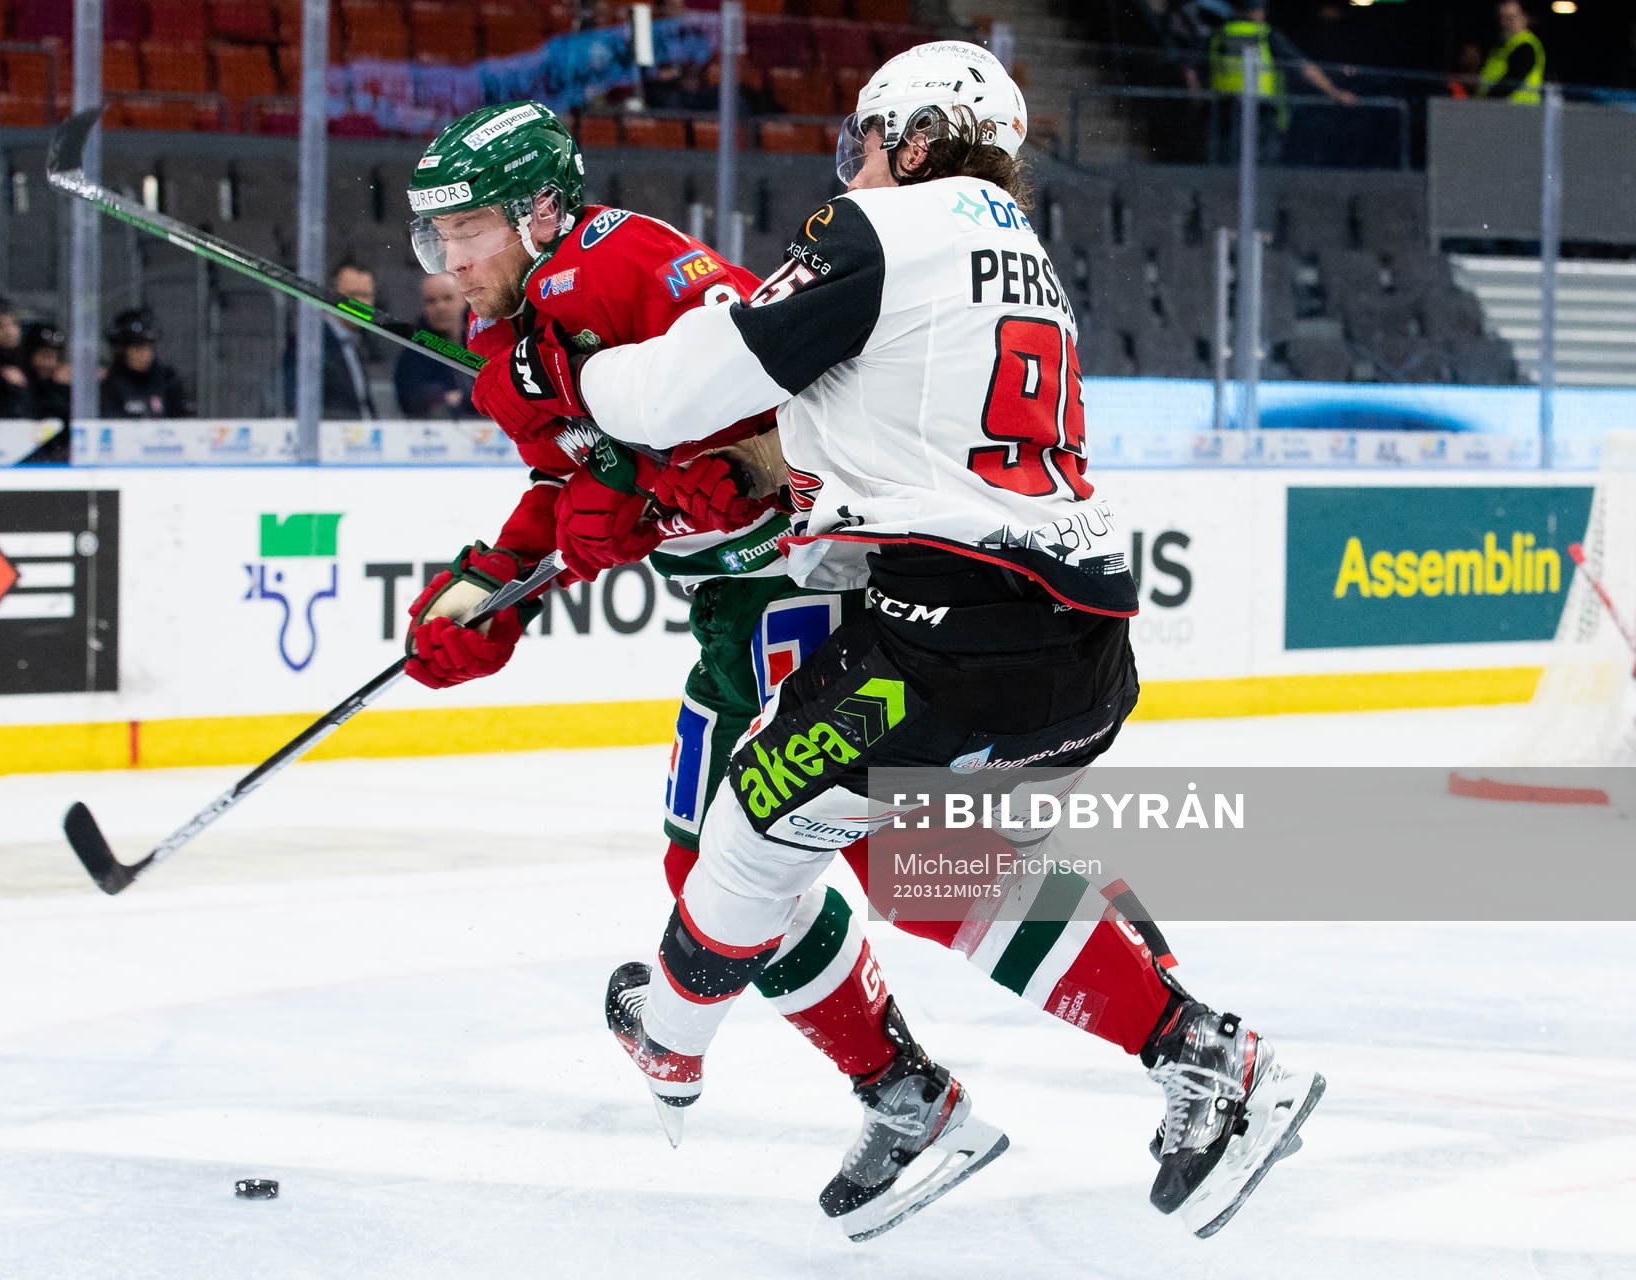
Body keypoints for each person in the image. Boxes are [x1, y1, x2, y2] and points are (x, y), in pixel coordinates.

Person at [506, 40, 1324, 1239]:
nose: (858, 163)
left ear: (922, 134)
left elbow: (689, 386)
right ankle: (1198, 1053)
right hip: (1083, 653)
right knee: (934, 872)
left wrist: (584, 387)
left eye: (870, 140)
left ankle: (668, 1036)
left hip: (952, 640)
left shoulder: (883, 230)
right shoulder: (1018, 253)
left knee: (748, 829)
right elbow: (865, 416)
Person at [401, 99, 1000, 1237]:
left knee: (745, 871)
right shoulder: (509, 344)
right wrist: (485, 590)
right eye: (437, 239)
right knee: (783, 863)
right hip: (734, 607)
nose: (454, 259)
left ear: (540, 208)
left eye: (471, 227)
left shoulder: (628, 264)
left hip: (804, 581)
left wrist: (712, 474)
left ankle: (942, 1081)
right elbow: (575, 477)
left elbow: (795, 384)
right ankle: (938, 1078)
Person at [1205, 3, 1356, 163]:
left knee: (1227, 157)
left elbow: (1197, 69)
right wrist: (1335, 93)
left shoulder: (1220, 34)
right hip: (1261, 106)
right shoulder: (1265, 34)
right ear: (1258, 11)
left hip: (1224, 107)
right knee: (1264, 158)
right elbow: (1304, 69)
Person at [284, 260, 381, 419]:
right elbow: (295, 403)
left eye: (366, 296)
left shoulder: (359, 344)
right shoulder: (309, 343)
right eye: (352, 295)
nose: (360, 303)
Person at [390, 273, 471, 418]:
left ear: (464, 299)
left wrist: (462, 398)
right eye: (431, 301)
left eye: (448, 298)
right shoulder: (412, 354)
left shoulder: (483, 342)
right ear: (423, 307)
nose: (440, 307)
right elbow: (411, 400)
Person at [99, 307, 190, 419]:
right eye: (138, 348)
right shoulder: (107, 385)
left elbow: (182, 422)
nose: (146, 354)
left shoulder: (168, 380)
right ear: (120, 350)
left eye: (149, 347)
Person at [1480, 0, 1545, 103]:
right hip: (1497, 109)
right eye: (1501, 17)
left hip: (1517, 110)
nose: (1504, 22)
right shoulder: (1502, 45)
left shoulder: (1526, 46)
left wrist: (1487, 100)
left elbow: (1511, 82)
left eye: (1510, 18)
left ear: (1524, 18)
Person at [26, 322, 72, 422]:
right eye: (44, 353)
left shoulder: (64, 382)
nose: (49, 361)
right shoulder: (20, 378)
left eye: (55, 355)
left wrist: (61, 387)